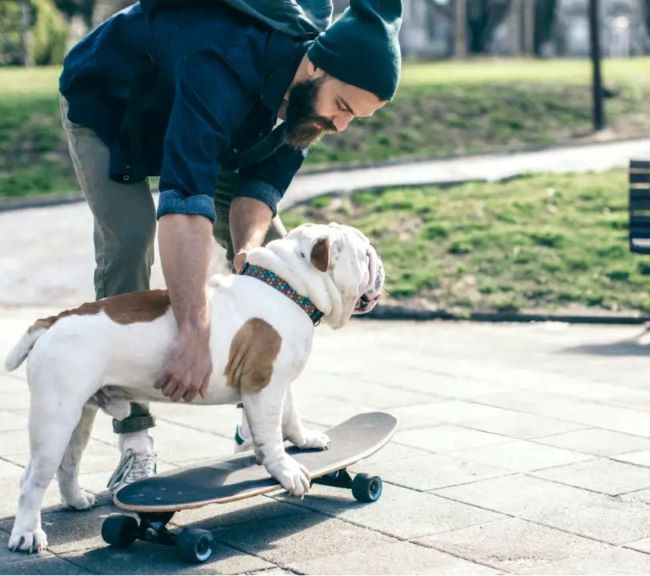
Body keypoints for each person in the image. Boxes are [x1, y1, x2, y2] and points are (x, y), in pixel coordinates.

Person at [57, 0, 402, 492]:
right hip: (111, 106)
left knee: (280, 257)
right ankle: (135, 442)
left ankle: (263, 415)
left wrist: (250, 259)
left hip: (218, 126)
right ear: (314, 66)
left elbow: (255, 196)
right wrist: (194, 332)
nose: (340, 124)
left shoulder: (312, 104)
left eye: (354, 118)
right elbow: (184, 205)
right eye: (342, 107)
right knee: (129, 243)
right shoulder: (220, 61)